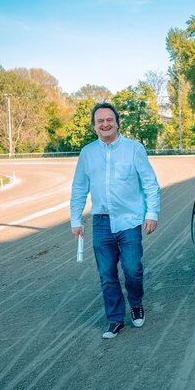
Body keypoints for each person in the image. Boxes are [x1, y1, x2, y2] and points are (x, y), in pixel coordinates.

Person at [70, 102, 160, 339]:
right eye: (100, 121)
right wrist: (75, 219)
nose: (105, 124)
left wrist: (152, 213)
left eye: (109, 119)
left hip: (129, 221)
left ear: (117, 122)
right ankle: (115, 319)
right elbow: (79, 187)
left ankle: (136, 303)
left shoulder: (134, 149)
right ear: (94, 126)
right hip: (101, 222)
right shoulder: (87, 153)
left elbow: (150, 183)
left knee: (133, 269)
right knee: (107, 274)